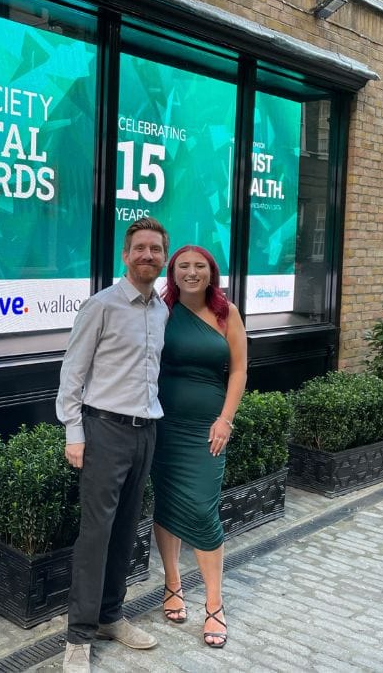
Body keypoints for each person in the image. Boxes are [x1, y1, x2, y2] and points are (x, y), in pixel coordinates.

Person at [56, 217, 170, 673]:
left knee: (126, 530)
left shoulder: (161, 310)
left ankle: (110, 616)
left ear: (164, 256)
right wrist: (74, 433)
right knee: (95, 535)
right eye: (139, 248)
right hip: (104, 430)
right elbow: (72, 372)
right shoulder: (101, 305)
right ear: (126, 255)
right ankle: (79, 635)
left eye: (155, 249)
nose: (147, 255)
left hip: (146, 431)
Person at [151, 244, 248, 649]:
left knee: (204, 510)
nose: (192, 272)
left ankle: (214, 603)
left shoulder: (228, 313)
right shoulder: (158, 311)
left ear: (211, 273)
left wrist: (225, 419)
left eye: (200, 267)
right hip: (162, 424)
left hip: (207, 429)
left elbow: (240, 369)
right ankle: (172, 584)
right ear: (172, 273)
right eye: (183, 267)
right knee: (167, 504)